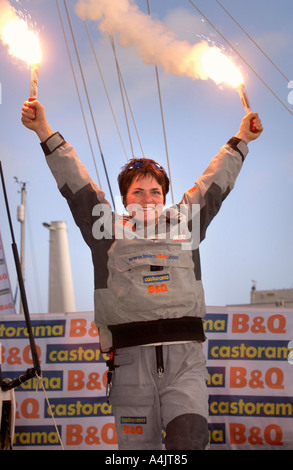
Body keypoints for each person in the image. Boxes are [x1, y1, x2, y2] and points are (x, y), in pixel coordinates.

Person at [21, 99, 263, 450]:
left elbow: (214, 182)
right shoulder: (105, 229)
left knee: (188, 443)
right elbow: (77, 184)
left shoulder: (186, 222)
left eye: (155, 191)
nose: (148, 198)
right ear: (124, 199)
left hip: (185, 363)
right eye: (138, 192)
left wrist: (242, 137)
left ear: (165, 196)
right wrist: (44, 130)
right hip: (129, 366)